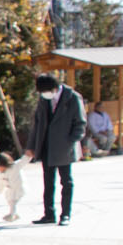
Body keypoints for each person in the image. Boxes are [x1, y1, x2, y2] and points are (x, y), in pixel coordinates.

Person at [27, 72, 85, 225]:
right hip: (46, 146)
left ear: (53, 88)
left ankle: (65, 214)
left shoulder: (72, 97)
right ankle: (49, 214)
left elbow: (80, 123)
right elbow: (37, 123)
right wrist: (31, 146)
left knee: (66, 181)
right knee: (48, 182)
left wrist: (70, 141)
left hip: (65, 147)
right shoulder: (43, 99)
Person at [0, 152, 25, 221]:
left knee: (13, 201)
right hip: (10, 189)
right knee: (10, 201)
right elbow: (0, 182)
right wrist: (0, 190)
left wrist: (28, 156)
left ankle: (12, 215)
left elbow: (23, 161)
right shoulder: (1, 173)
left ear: (4, 164)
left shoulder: (15, 167)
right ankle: (14, 214)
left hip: (19, 188)